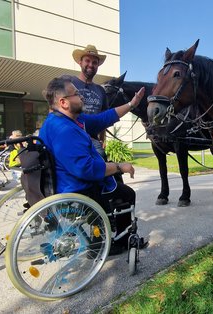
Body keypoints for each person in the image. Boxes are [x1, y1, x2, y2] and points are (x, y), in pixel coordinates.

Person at [39, 76, 147, 254]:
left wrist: (132, 104)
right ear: (64, 102)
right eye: (76, 94)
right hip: (77, 189)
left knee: (116, 184)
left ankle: (103, 235)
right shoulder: (64, 129)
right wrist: (119, 166)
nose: (81, 97)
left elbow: (102, 119)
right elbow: (86, 169)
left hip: (71, 182)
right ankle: (115, 243)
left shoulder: (67, 121)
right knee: (126, 194)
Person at [71, 44, 109, 158]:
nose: (91, 65)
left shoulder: (100, 90)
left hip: (93, 141)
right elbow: (54, 110)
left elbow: (103, 118)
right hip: (71, 139)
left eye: (94, 62)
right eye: (87, 61)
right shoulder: (69, 83)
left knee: (102, 165)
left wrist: (102, 139)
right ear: (80, 62)